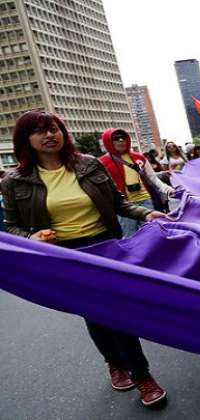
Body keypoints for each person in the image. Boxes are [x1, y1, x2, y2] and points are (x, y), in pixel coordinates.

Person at [0, 111, 168, 407]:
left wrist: (147, 212)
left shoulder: (87, 164)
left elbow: (119, 203)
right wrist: (30, 237)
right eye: (40, 131)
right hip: (63, 254)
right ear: (26, 139)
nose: (49, 135)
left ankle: (141, 375)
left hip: (104, 246)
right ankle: (115, 363)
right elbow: (10, 224)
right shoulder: (15, 180)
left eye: (54, 129)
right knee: (92, 312)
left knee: (116, 310)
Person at [99, 129, 175, 237]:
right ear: (108, 141)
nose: (121, 140)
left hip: (146, 201)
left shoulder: (139, 157)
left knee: (151, 235)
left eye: (123, 137)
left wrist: (167, 189)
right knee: (130, 237)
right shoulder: (101, 163)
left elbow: (153, 178)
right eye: (116, 138)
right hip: (124, 207)